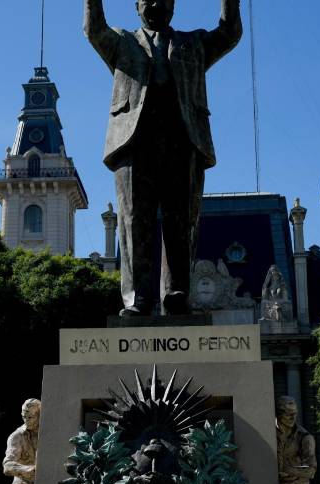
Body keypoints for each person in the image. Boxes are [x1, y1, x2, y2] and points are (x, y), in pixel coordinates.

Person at [84, 0, 243, 316]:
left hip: (181, 141)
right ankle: (137, 299)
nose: (157, 4)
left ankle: (175, 294)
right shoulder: (122, 42)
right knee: (133, 222)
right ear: (136, 5)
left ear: (174, 6)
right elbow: (94, 30)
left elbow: (228, 34)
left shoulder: (193, 43)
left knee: (180, 221)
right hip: (133, 142)